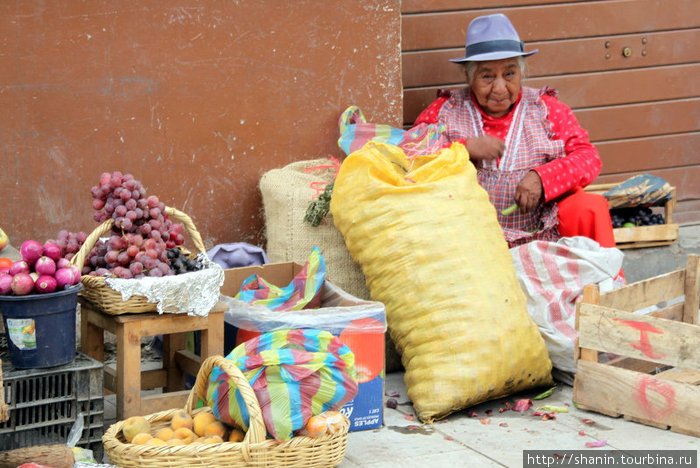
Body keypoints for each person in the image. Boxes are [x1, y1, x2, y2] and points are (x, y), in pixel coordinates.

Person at [415, 13, 616, 249]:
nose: (499, 88)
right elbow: (408, 155)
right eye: (487, 76)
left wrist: (543, 178)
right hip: (467, 239)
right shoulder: (445, 111)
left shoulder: (546, 109)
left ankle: (603, 284)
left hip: (542, 233)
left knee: (588, 206)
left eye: (509, 74)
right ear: (469, 77)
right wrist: (464, 149)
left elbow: (588, 158)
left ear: (522, 72)